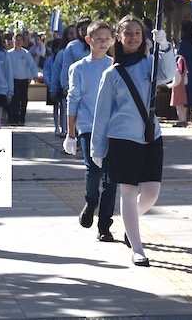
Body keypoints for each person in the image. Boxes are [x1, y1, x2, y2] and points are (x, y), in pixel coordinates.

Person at [90, 16, 176, 267]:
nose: (133, 37)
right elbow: (102, 112)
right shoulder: (112, 73)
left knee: (151, 194)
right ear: (119, 36)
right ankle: (138, 248)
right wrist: (98, 146)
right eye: (128, 33)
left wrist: (167, 47)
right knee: (128, 192)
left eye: (138, 33)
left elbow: (169, 74)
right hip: (122, 138)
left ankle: (131, 221)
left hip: (151, 136)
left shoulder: (151, 63)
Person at [64, 21, 118, 242]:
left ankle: (104, 225)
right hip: (87, 127)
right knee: (93, 169)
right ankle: (90, 200)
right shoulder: (78, 68)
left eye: (107, 39)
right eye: (98, 39)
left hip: (113, 128)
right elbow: (73, 100)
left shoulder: (115, 65)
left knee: (111, 177)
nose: (103, 43)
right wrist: (70, 133)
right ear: (89, 40)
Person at [57, 18, 92, 136]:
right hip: (76, 87)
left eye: (88, 28)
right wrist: (65, 86)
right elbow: (66, 67)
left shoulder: (97, 44)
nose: (85, 31)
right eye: (82, 29)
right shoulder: (72, 46)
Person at [8, 33, 36, 126]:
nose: (18, 42)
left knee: (24, 100)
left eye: (20, 40)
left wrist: (33, 76)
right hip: (13, 79)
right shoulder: (9, 54)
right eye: (16, 40)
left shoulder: (26, 53)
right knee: (14, 100)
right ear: (13, 41)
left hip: (24, 79)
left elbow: (31, 65)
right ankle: (14, 119)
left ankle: (22, 118)